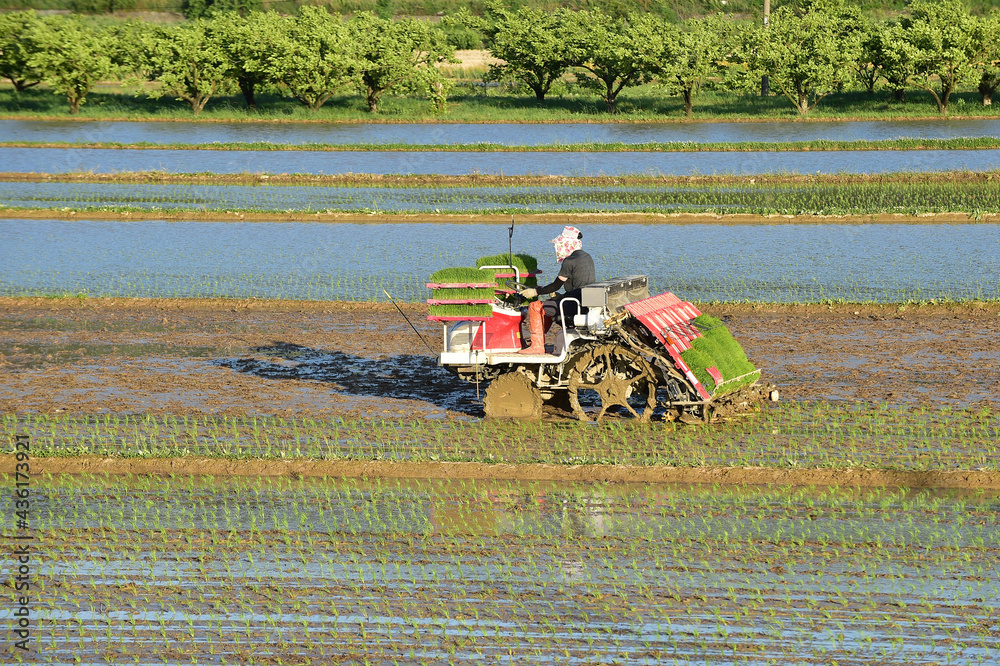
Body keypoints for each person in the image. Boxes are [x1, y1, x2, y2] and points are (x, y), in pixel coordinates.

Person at [518, 225, 596, 354]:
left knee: (535, 306)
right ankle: (539, 341)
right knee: (548, 302)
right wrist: (561, 297)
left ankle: (537, 346)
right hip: (582, 300)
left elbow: (556, 285)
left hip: (574, 304)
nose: (557, 248)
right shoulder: (586, 256)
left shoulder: (570, 261)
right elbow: (580, 284)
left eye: (559, 244)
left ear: (567, 243)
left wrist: (535, 292)